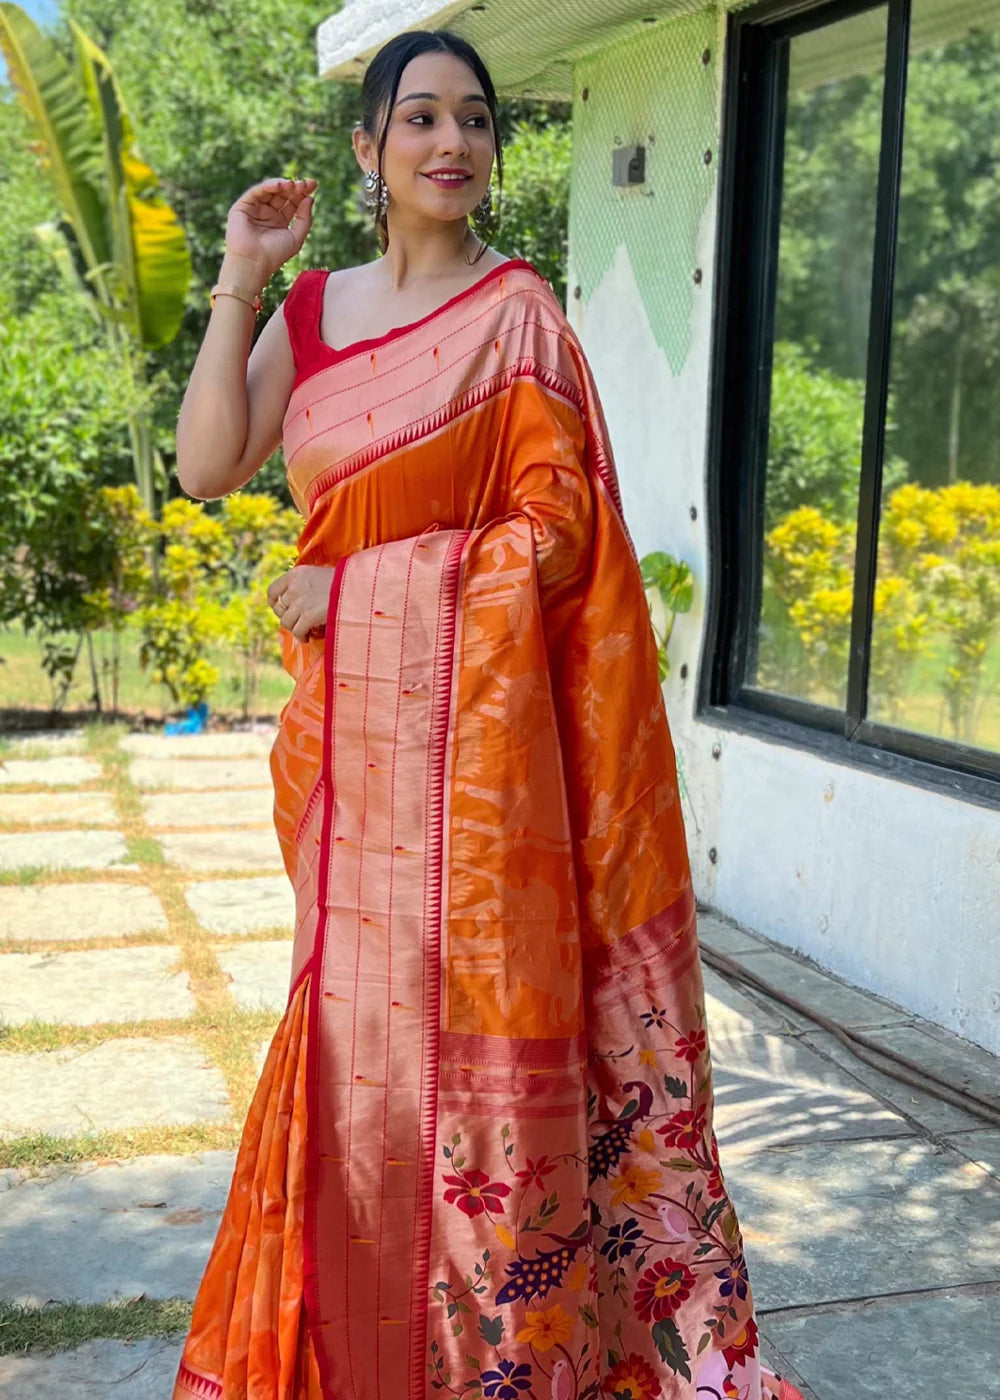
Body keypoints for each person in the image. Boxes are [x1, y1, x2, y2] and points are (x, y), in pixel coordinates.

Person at [171, 29, 805, 1400]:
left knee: (484, 1056)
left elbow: (564, 534)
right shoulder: (316, 316)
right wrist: (241, 282)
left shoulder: (519, 318)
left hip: (486, 785)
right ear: (370, 150)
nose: (449, 142)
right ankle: (355, 1355)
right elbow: (210, 461)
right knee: (356, 1063)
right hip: (348, 770)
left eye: (472, 119)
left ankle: (499, 1361)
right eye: (419, 119)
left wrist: (371, 584)